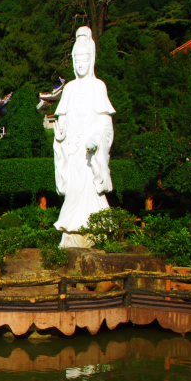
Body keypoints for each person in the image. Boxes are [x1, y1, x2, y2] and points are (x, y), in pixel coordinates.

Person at [52, 26, 115, 247]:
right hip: (73, 152)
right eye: (76, 59)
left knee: (90, 191)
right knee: (74, 191)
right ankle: (71, 233)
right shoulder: (68, 89)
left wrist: (96, 141)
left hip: (90, 155)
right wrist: (59, 136)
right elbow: (62, 122)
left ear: (92, 59)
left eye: (84, 59)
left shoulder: (99, 87)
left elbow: (106, 126)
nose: (80, 64)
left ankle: (95, 230)